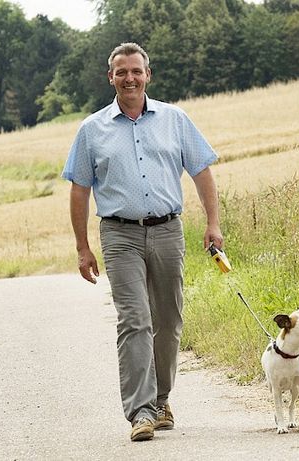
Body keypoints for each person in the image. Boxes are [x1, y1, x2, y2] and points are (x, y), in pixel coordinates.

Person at [61, 42, 224, 442]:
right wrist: (83, 247)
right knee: (135, 319)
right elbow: (80, 190)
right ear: (110, 77)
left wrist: (213, 224)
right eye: (122, 72)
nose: (129, 78)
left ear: (148, 74)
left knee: (167, 320)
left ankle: (161, 399)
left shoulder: (175, 119)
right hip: (119, 234)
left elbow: (201, 172)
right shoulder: (91, 129)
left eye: (136, 71)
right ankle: (140, 411)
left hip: (168, 230)